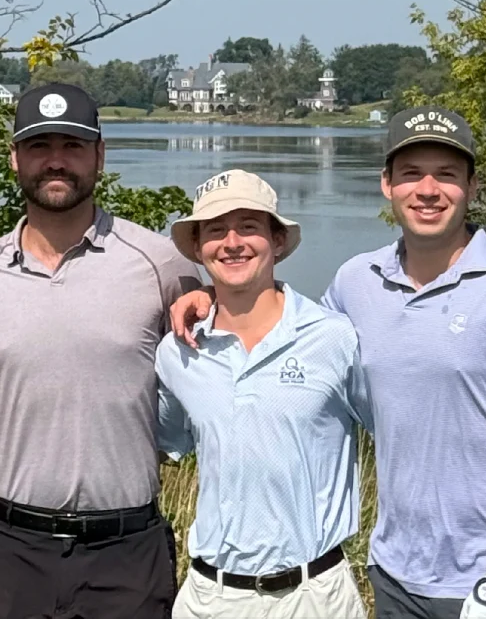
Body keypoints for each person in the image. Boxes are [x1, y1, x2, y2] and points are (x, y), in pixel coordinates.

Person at [170, 106, 486, 619]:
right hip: (396, 574)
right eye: (412, 174)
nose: (428, 189)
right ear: (387, 185)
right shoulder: (357, 283)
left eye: (447, 174)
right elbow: (290, 341)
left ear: (473, 187)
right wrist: (209, 299)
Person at [0, 83, 203, 619]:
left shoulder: (160, 263)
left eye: (73, 146)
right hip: (12, 550)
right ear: (14, 158)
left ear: (100, 155)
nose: (56, 161)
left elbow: (221, 347)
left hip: (125, 552)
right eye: (39, 146)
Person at [156, 169, 371, 619]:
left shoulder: (333, 337)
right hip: (211, 598)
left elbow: (395, 434)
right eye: (215, 230)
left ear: (276, 241)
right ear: (198, 248)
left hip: (315, 596)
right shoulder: (178, 352)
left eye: (249, 227)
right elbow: (168, 442)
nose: (232, 242)